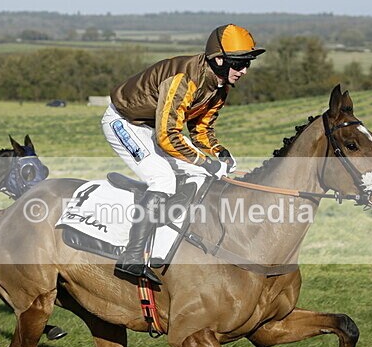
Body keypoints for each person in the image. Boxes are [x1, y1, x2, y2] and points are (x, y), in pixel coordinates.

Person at [101, 24, 265, 284]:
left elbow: (201, 129)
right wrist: (206, 163)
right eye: (239, 63)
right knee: (163, 179)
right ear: (219, 60)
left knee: (199, 175)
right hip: (125, 122)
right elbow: (168, 137)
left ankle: (169, 240)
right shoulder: (184, 79)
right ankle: (131, 258)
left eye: (247, 63)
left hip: (153, 126)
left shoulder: (221, 86)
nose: (244, 70)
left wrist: (220, 153)